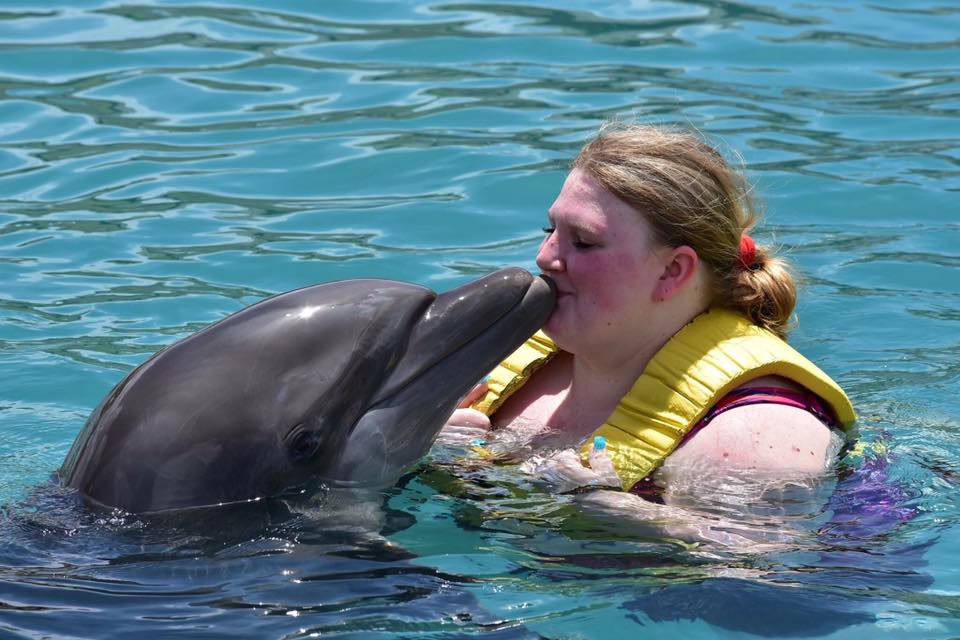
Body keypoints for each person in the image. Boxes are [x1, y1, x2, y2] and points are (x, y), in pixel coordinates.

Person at [441, 123, 855, 502]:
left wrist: (620, 511)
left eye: (583, 242)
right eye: (551, 231)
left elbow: (767, 576)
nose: (545, 257)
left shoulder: (757, 437)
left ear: (672, 271)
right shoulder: (509, 367)